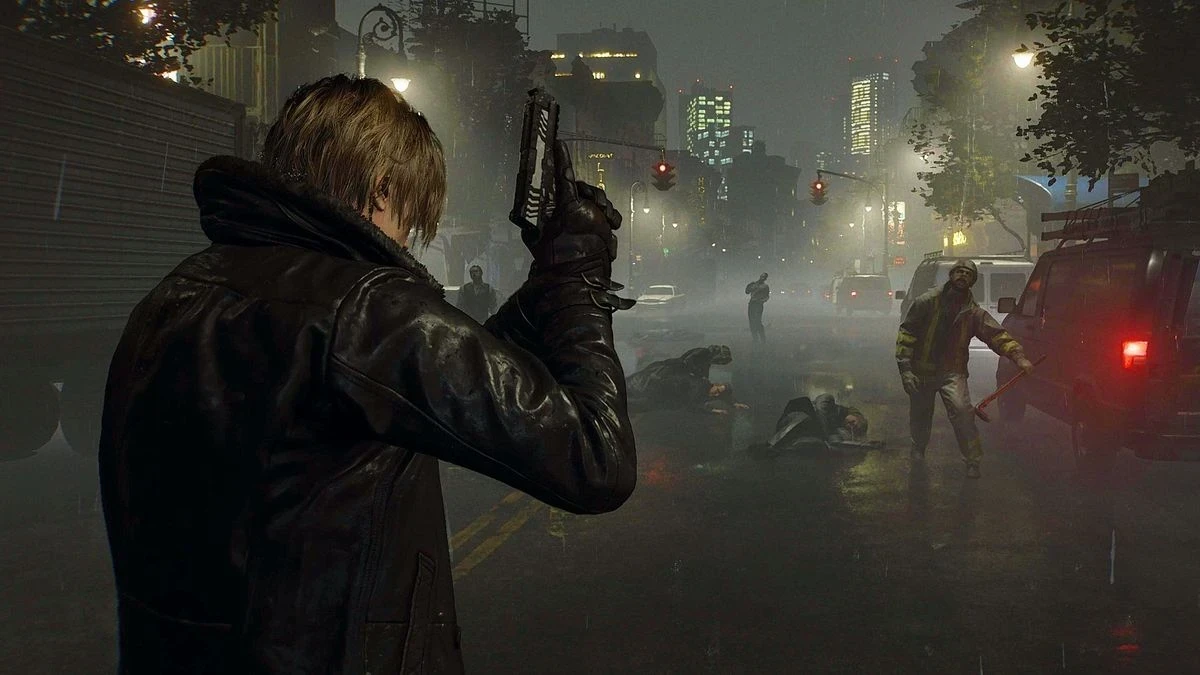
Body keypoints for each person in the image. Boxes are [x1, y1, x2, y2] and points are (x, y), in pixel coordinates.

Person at [97, 75, 637, 674]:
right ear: (383, 189)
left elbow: (429, 388)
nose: (410, 240)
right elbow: (597, 458)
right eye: (412, 216)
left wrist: (545, 293)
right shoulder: (368, 307)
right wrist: (579, 273)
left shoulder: (177, 294)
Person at [895, 259, 1034, 479]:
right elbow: (907, 333)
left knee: (963, 415)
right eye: (959, 271)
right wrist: (906, 370)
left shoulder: (973, 313)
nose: (962, 276)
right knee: (920, 415)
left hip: (952, 372)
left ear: (972, 281)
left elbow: (996, 335)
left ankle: (972, 460)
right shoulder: (926, 302)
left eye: (968, 274)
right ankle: (918, 448)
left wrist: (1019, 357)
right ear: (951, 275)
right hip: (922, 371)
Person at [626, 345, 745, 414]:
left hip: (676, 380)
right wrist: (697, 377)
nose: (719, 363)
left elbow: (710, 386)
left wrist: (734, 403)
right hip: (670, 370)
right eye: (721, 361)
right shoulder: (703, 352)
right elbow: (687, 361)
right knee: (642, 386)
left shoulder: (705, 370)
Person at [747, 394, 872, 457]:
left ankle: (780, 450)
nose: (851, 425)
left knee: (817, 445)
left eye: (853, 428)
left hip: (804, 432)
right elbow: (820, 408)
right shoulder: (830, 401)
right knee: (805, 418)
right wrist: (826, 435)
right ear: (855, 415)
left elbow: (836, 442)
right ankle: (770, 444)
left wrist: (865, 445)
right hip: (794, 418)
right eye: (854, 422)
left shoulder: (837, 426)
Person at [745, 272, 770, 343]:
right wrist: (749, 285)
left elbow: (767, 296)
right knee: (751, 321)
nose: (762, 278)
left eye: (764, 277)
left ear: (765, 278)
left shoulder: (765, 286)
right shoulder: (754, 284)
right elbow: (747, 291)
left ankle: (762, 338)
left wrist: (761, 301)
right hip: (752, 303)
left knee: (757, 321)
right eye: (762, 276)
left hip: (758, 304)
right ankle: (755, 339)